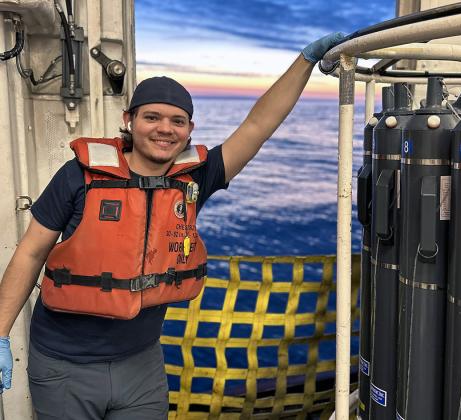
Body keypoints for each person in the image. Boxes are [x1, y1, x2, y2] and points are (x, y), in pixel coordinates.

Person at [0, 32, 343, 419]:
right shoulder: (78, 176)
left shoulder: (196, 177)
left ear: (189, 130)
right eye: (152, 117)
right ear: (129, 121)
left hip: (141, 365)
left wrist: (305, 60)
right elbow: (30, 252)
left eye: (177, 121)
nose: (165, 129)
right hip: (64, 366)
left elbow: (258, 125)